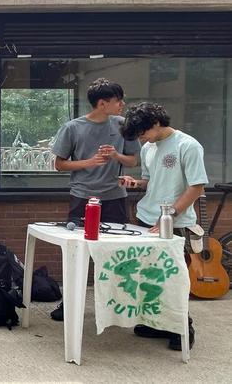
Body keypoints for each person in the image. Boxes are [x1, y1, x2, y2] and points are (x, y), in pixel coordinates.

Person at [49, 78, 141, 320]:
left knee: (117, 253)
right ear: (102, 103)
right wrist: (89, 162)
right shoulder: (73, 127)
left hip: (115, 197)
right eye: (118, 100)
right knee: (77, 251)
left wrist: (116, 155)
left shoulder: (123, 125)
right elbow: (59, 164)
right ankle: (69, 304)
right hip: (82, 196)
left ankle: (116, 305)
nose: (122, 104)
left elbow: (133, 160)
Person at [119, 101, 207, 351]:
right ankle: (157, 323)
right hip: (146, 219)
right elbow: (150, 181)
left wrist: (169, 215)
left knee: (174, 278)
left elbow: (197, 187)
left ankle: (182, 328)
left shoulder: (187, 145)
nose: (141, 138)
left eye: (143, 132)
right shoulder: (149, 147)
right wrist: (135, 183)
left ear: (156, 123)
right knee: (149, 275)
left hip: (174, 223)